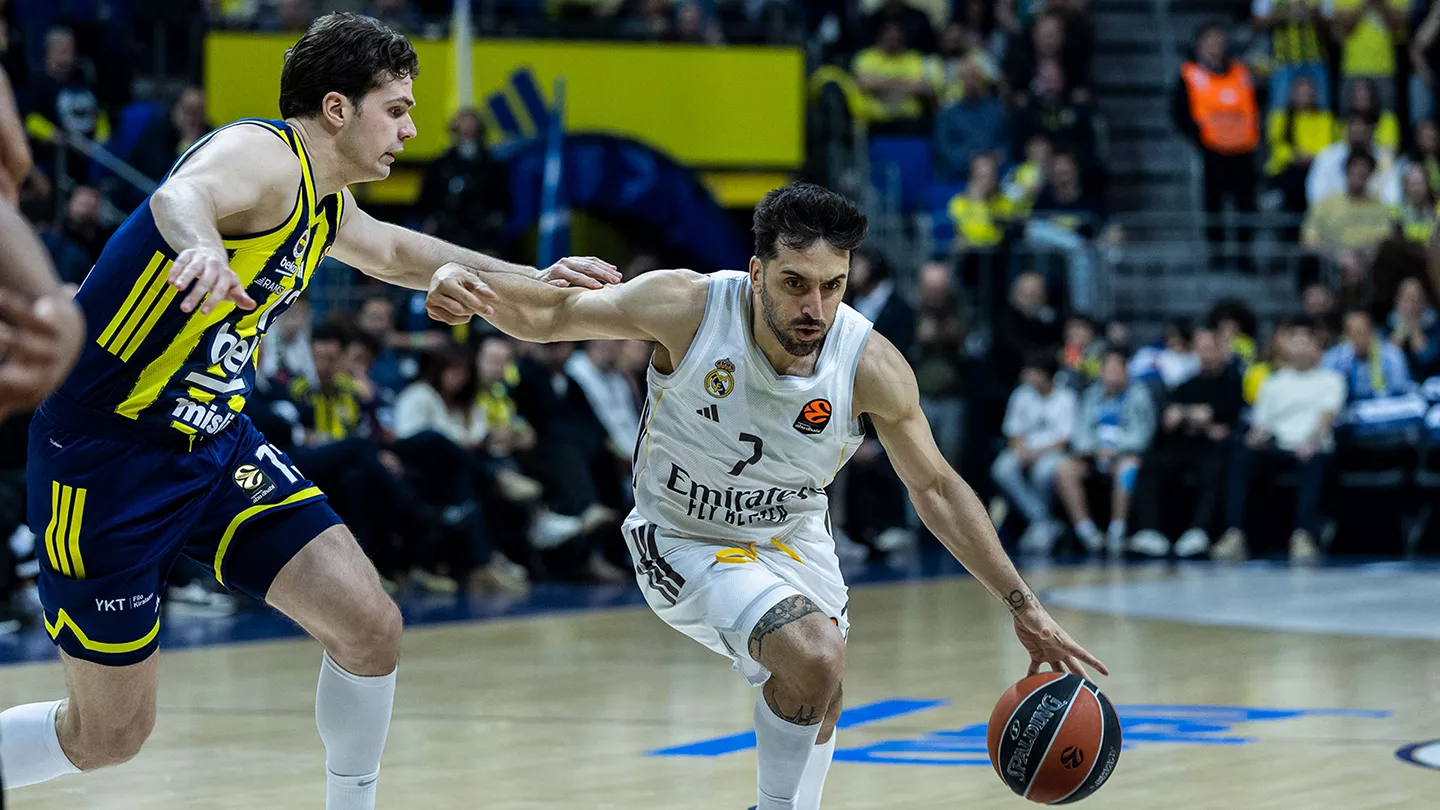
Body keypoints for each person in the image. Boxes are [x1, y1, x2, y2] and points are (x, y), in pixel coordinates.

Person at [0, 14, 616, 809]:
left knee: (371, 629)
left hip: (215, 447)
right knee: (109, 737)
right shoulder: (264, 154)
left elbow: (401, 254)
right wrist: (203, 246)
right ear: (336, 109)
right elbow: (181, 192)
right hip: (107, 454)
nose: (411, 127)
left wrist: (539, 279)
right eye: (395, 108)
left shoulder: (328, 204)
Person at [454, 182, 1107, 810]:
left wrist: (1023, 605)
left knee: (822, 686)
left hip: (793, 535)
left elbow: (935, 486)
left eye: (833, 287)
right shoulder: (689, 306)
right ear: (757, 271)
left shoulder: (869, 363)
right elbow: (548, 317)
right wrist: (465, 284)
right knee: (814, 655)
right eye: (795, 283)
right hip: (684, 535)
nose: (814, 309)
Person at [1214, 321, 1345, 563]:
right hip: (1277, 447)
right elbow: (1260, 423)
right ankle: (1234, 534)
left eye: (1307, 340)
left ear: (1318, 347)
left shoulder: (1330, 379)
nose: (1301, 346)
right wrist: (1255, 438)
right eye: (1295, 340)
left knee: (1314, 460)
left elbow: (1327, 416)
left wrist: (1311, 441)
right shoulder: (1273, 383)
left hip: (1312, 447)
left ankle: (1303, 535)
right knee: (1241, 456)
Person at [1127, 328, 1244, 558]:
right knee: (1152, 462)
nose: (1205, 355)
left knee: (1214, 466)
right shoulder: (1186, 385)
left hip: (1213, 449)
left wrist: (1188, 416)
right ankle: (1148, 530)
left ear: (1222, 351)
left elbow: (1223, 419)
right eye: (1201, 350)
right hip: (1182, 444)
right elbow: (1171, 419)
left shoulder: (1232, 384)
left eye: (1210, 349)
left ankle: (1199, 531)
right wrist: (1196, 417)